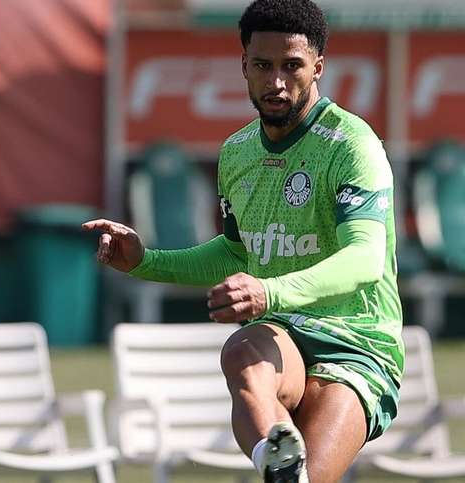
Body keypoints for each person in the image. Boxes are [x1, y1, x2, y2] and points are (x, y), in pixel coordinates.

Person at [83, 1, 403, 481]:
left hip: (357, 343)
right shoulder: (236, 153)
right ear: (244, 66)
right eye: (262, 65)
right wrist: (145, 261)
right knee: (241, 350)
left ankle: (286, 470)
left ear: (318, 66)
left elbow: (363, 258)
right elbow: (236, 251)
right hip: (283, 337)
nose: (276, 81)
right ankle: (277, 462)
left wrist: (268, 292)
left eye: (291, 65)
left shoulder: (351, 144)